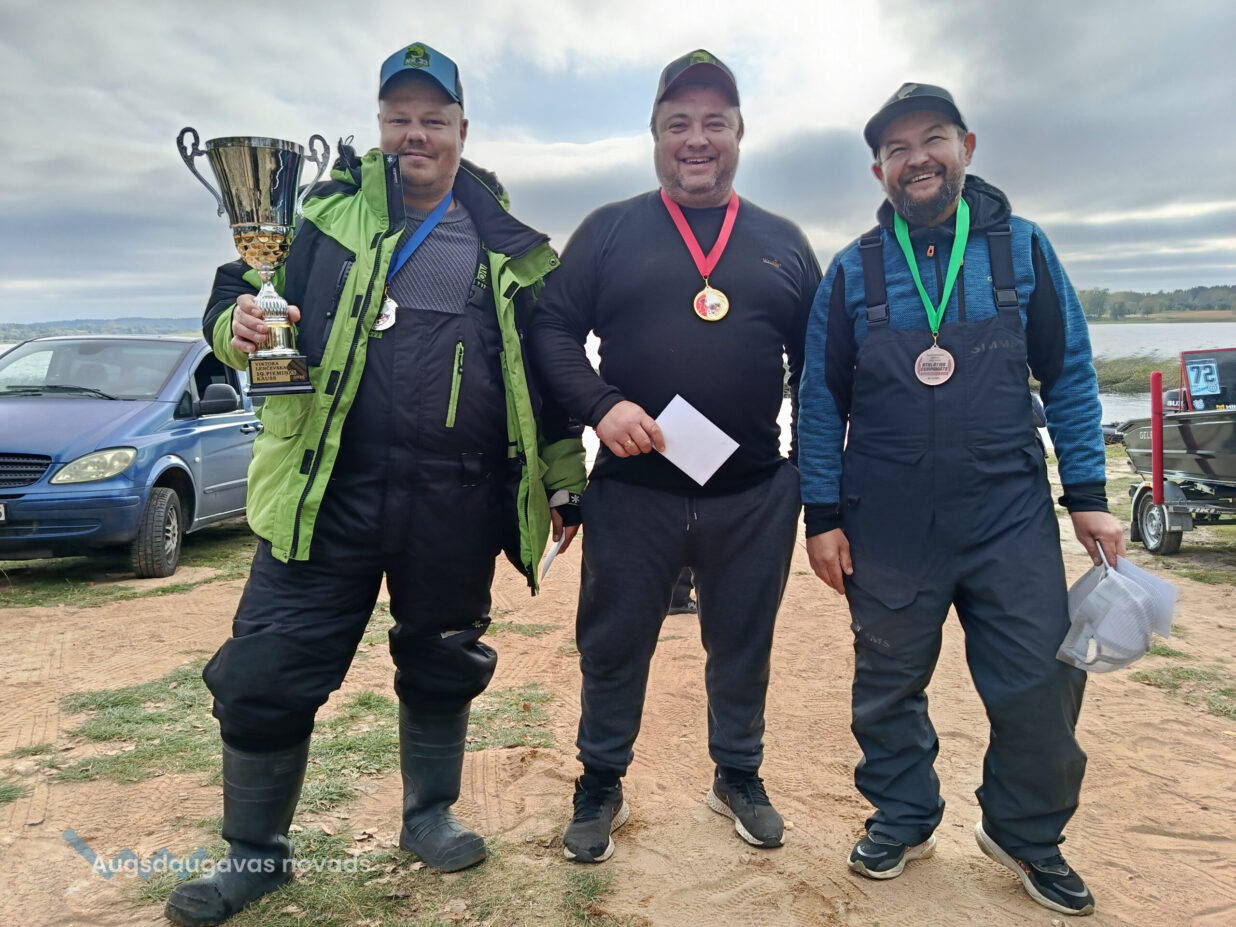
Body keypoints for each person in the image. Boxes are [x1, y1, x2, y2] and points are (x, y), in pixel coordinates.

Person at [164, 42, 585, 927]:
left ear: (463, 130)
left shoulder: (509, 248)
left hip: (457, 497)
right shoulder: (316, 218)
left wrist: (562, 480)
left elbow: (543, 377)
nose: (414, 135)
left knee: (442, 659)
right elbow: (232, 299)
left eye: (433, 119)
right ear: (379, 125)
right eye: (399, 118)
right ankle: (256, 853)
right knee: (266, 668)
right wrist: (237, 324)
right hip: (326, 489)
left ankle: (428, 815)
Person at [799, 83, 1125, 917]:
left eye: (932, 139)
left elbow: (1071, 374)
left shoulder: (1024, 250)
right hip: (887, 517)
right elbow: (820, 401)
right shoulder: (853, 269)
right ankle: (903, 816)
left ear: (967, 147)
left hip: (1007, 512)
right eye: (897, 149)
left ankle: (1026, 832)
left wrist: (1088, 494)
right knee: (888, 680)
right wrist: (822, 515)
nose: (918, 159)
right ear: (879, 170)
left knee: (1039, 677)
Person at [529, 50, 821, 864]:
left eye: (714, 123)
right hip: (634, 490)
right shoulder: (610, 230)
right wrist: (601, 405)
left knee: (743, 644)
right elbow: (550, 330)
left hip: (753, 492)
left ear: (739, 133)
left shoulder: (784, 242)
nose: (697, 139)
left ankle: (738, 773)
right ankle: (601, 782)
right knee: (613, 644)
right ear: (655, 135)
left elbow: (822, 369)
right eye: (678, 123)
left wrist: (804, 475)